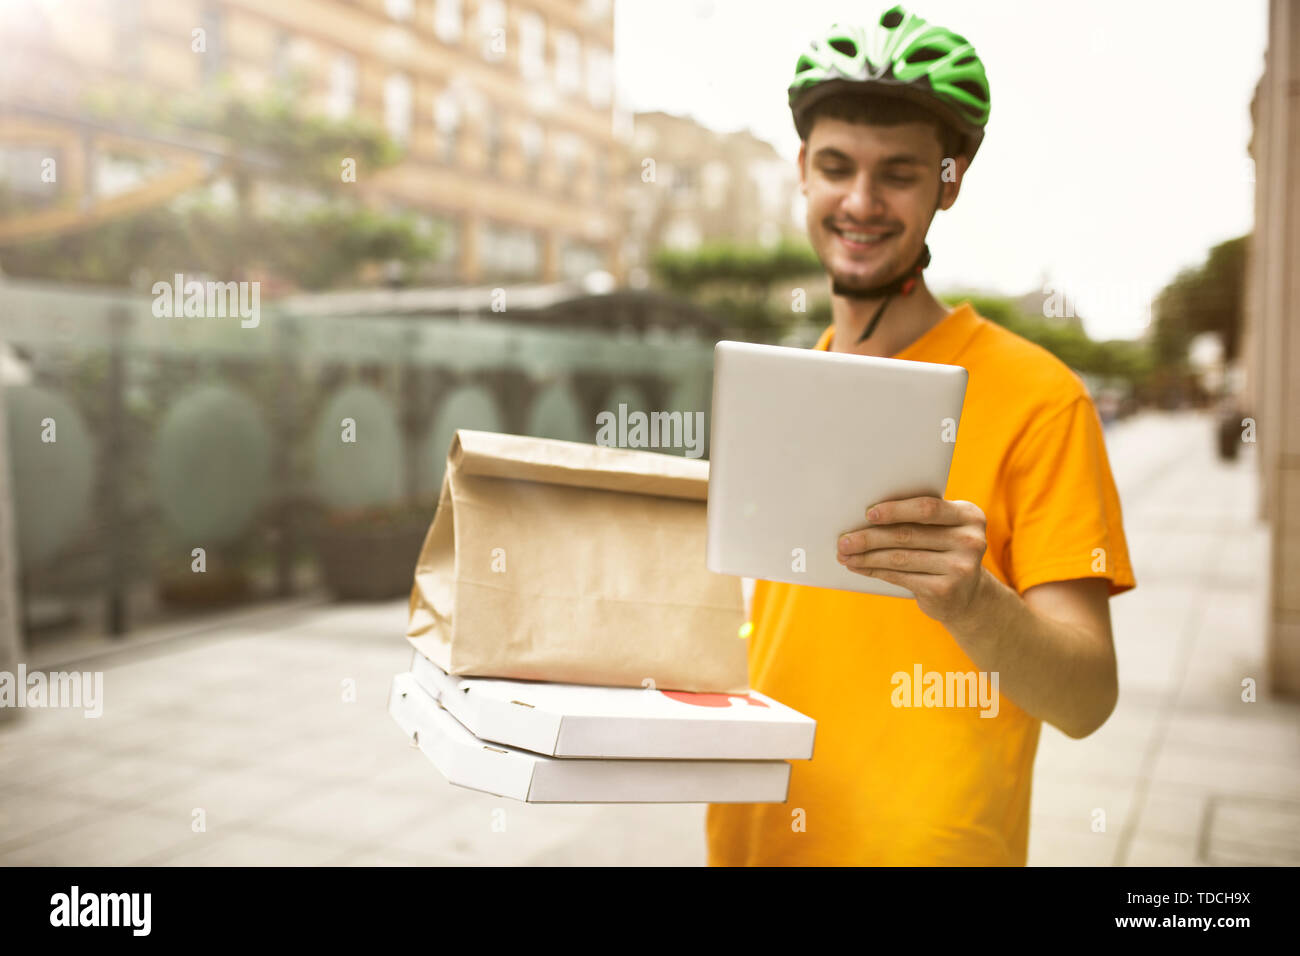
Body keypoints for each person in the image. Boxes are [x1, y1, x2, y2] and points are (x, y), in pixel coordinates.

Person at [706, 5, 1136, 866]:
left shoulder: (1040, 400)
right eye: (836, 167)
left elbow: (1087, 697)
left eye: (898, 173)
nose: (859, 202)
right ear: (802, 170)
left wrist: (973, 601)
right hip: (756, 845)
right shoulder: (780, 389)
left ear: (950, 179)